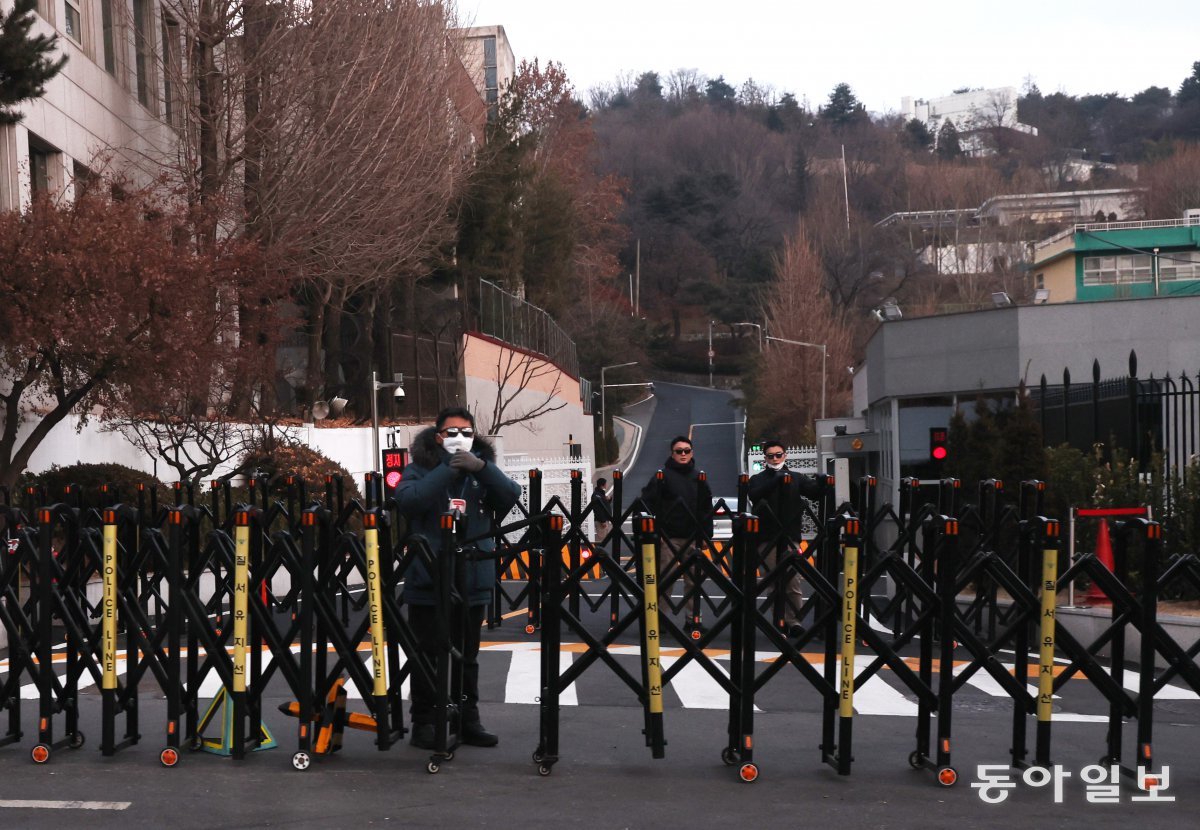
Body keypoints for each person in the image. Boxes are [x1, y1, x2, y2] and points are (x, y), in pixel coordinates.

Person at [396, 406, 521, 750]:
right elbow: (409, 501)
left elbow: (510, 496)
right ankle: (425, 721)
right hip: (429, 579)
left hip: (471, 579)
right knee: (427, 655)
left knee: (467, 656)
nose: (459, 438)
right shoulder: (420, 469)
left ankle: (468, 719)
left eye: (466, 432)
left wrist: (480, 467)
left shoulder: (482, 472)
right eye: (451, 432)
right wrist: (445, 471)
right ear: (438, 437)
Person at [747, 440, 825, 637]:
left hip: (790, 537)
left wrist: (823, 482)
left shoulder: (796, 477)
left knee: (793, 580)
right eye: (771, 455)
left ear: (785, 455)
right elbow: (754, 495)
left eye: (778, 454)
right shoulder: (758, 479)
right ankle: (777, 622)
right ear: (765, 458)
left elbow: (814, 493)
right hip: (767, 538)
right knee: (772, 580)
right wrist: (776, 480)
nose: (775, 459)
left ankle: (794, 621)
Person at [640, 436, 714, 633]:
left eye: (686, 450)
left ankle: (693, 619)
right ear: (672, 454)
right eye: (679, 451)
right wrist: (657, 533)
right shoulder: (661, 477)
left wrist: (707, 535)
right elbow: (646, 504)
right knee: (666, 579)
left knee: (694, 580)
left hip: (694, 536)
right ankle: (660, 619)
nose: (683, 454)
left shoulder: (699, 477)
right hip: (669, 537)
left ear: (692, 453)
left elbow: (707, 508)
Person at [591, 477, 613, 543]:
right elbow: (597, 509)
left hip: (605, 520)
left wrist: (609, 499)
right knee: (602, 541)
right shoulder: (596, 495)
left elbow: (604, 506)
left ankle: (605, 553)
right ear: (602, 485)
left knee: (606, 540)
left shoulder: (601, 494)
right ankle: (601, 553)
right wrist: (602, 521)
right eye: (605, 484)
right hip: (601, 522)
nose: (606, 485)